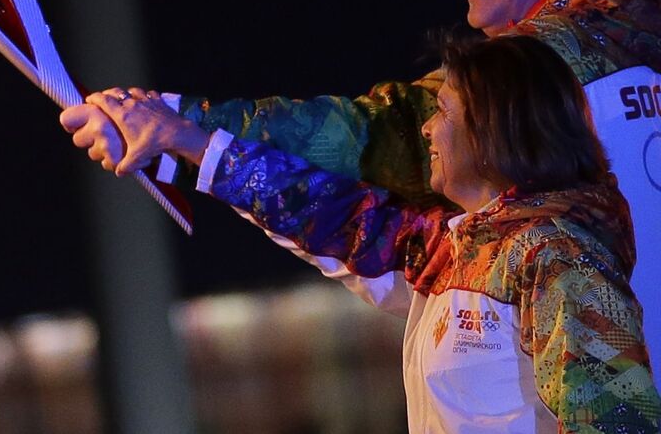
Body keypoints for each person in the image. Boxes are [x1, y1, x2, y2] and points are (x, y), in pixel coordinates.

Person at [60, 0, 661, 357]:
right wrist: (188, 144)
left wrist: (175, 124)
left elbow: (371, 137)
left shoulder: (532, 72)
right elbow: (364, 235)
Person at [90, 35, 661, 432]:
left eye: (442, 110)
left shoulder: (559, 258)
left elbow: (618, 423)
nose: (428, 129)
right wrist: (186, 140)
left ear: (492, 130)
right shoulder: (451, 249)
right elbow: (331, 215)